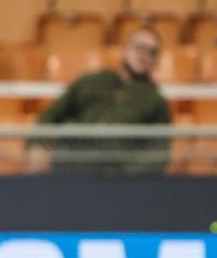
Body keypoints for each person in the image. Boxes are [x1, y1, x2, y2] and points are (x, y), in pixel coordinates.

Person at [38, 28, 171, 175]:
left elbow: (158, 152)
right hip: (72, 167)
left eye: (151, 52)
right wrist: (38, 145)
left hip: (118, 178)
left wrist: (126, 178)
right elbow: (51, 115)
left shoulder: (156, 101)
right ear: (125, 50)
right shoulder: (90, 81)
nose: (144, 55)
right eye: (139, 47)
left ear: (157, 60)